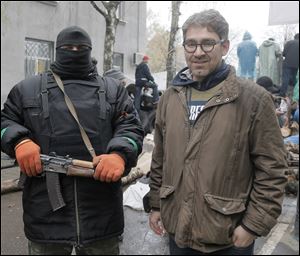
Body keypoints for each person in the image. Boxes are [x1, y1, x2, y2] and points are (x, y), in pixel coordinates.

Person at [148, 10, 287, 255]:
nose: (198, 52)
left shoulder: (253, 100)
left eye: (207, 43)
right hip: (178, 232)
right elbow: (160, 159)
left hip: (228, 237)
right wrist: (156, 205)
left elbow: (272, 170)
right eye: (191, 44)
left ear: (224, 46)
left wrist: (253, 225)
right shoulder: (170, 98)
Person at [1, 26, 144, 255]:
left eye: (81, 48)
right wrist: (19, 141)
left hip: (101, 216)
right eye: (68, 48)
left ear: (90, 50)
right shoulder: (27, 89)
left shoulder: (113, 90)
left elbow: (132, 128)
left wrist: (120, 154)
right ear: (57, 50)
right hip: (45, 218)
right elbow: (4, 122)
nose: (75, 51)